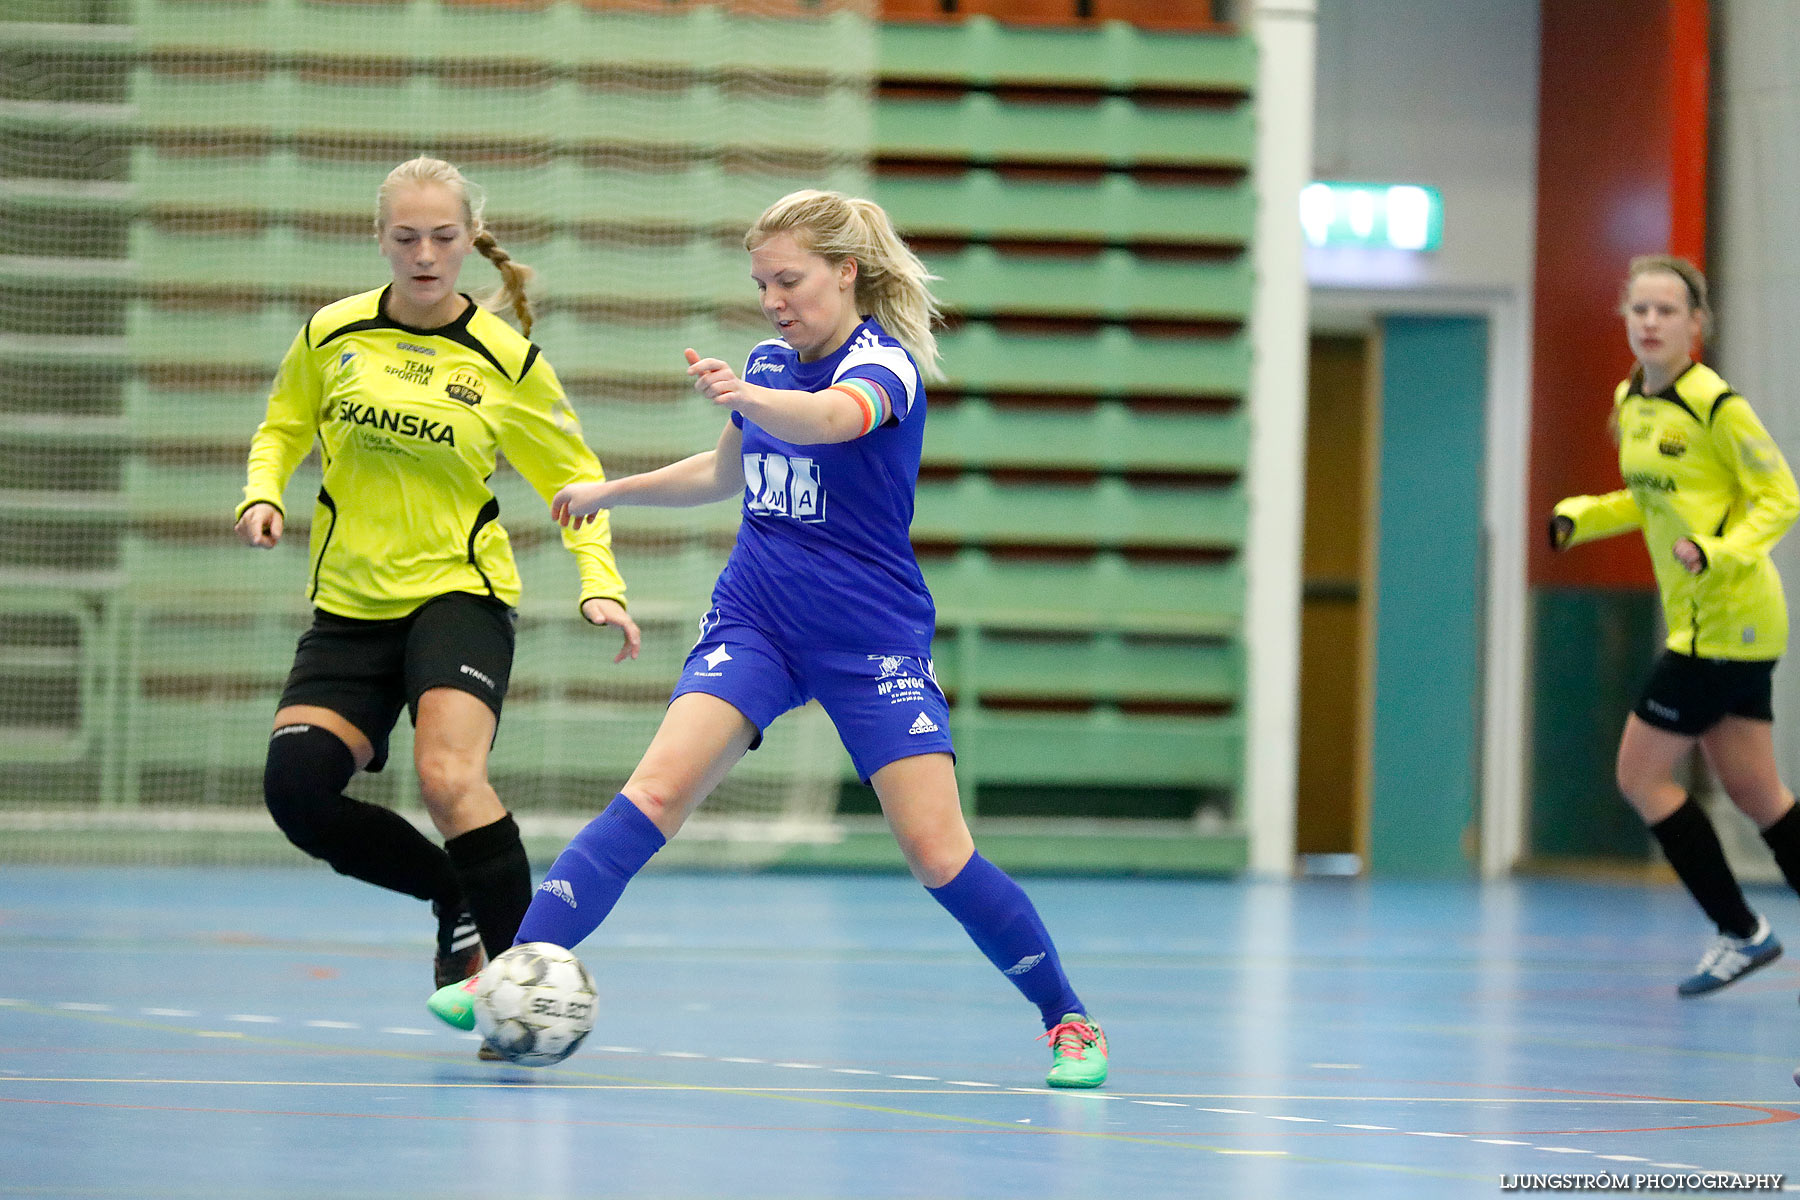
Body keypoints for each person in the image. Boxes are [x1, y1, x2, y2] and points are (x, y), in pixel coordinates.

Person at [429, 189, 1108, 1087]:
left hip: (869, 636)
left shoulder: (886, 366)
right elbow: (726, 469)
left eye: (789, 280)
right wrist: (613, 490)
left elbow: (830, 422)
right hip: (757, 617)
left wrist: (747, 391)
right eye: (762, 284)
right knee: (658, 791)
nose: (774, 300)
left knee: (939, 852)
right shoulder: (768, 361)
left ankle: (1068, 1021)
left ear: (845, 272)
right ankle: (513, 968)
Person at [234, 156, 641, 1012]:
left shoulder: (506, 360)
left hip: (459, 595)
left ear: (469, 242)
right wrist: (262, 491)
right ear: (379, 239)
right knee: (297, 794)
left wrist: (599, 582)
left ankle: (521, 986)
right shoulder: (332, 333)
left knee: (450, 780)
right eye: (406, 236)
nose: (424, 254)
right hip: (349, 606)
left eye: (443, 237)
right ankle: (450, 890)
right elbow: (281, 424)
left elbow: (580, 481)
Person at [1551, 253, 1800, 997]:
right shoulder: (1633, 400)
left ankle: (1741, 931)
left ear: (1697, 325)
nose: (1651, 322)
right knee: (1758, 794)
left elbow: (1781, 498)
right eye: (1640, 310)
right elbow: (1647, 500)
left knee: (1639, 773)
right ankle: (1743, 932)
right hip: (1706, 624)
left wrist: (1718, 553)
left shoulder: (1716, 407)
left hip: (1727, 620)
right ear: (1626, 318)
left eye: (1667, 311)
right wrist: (1582, 517)